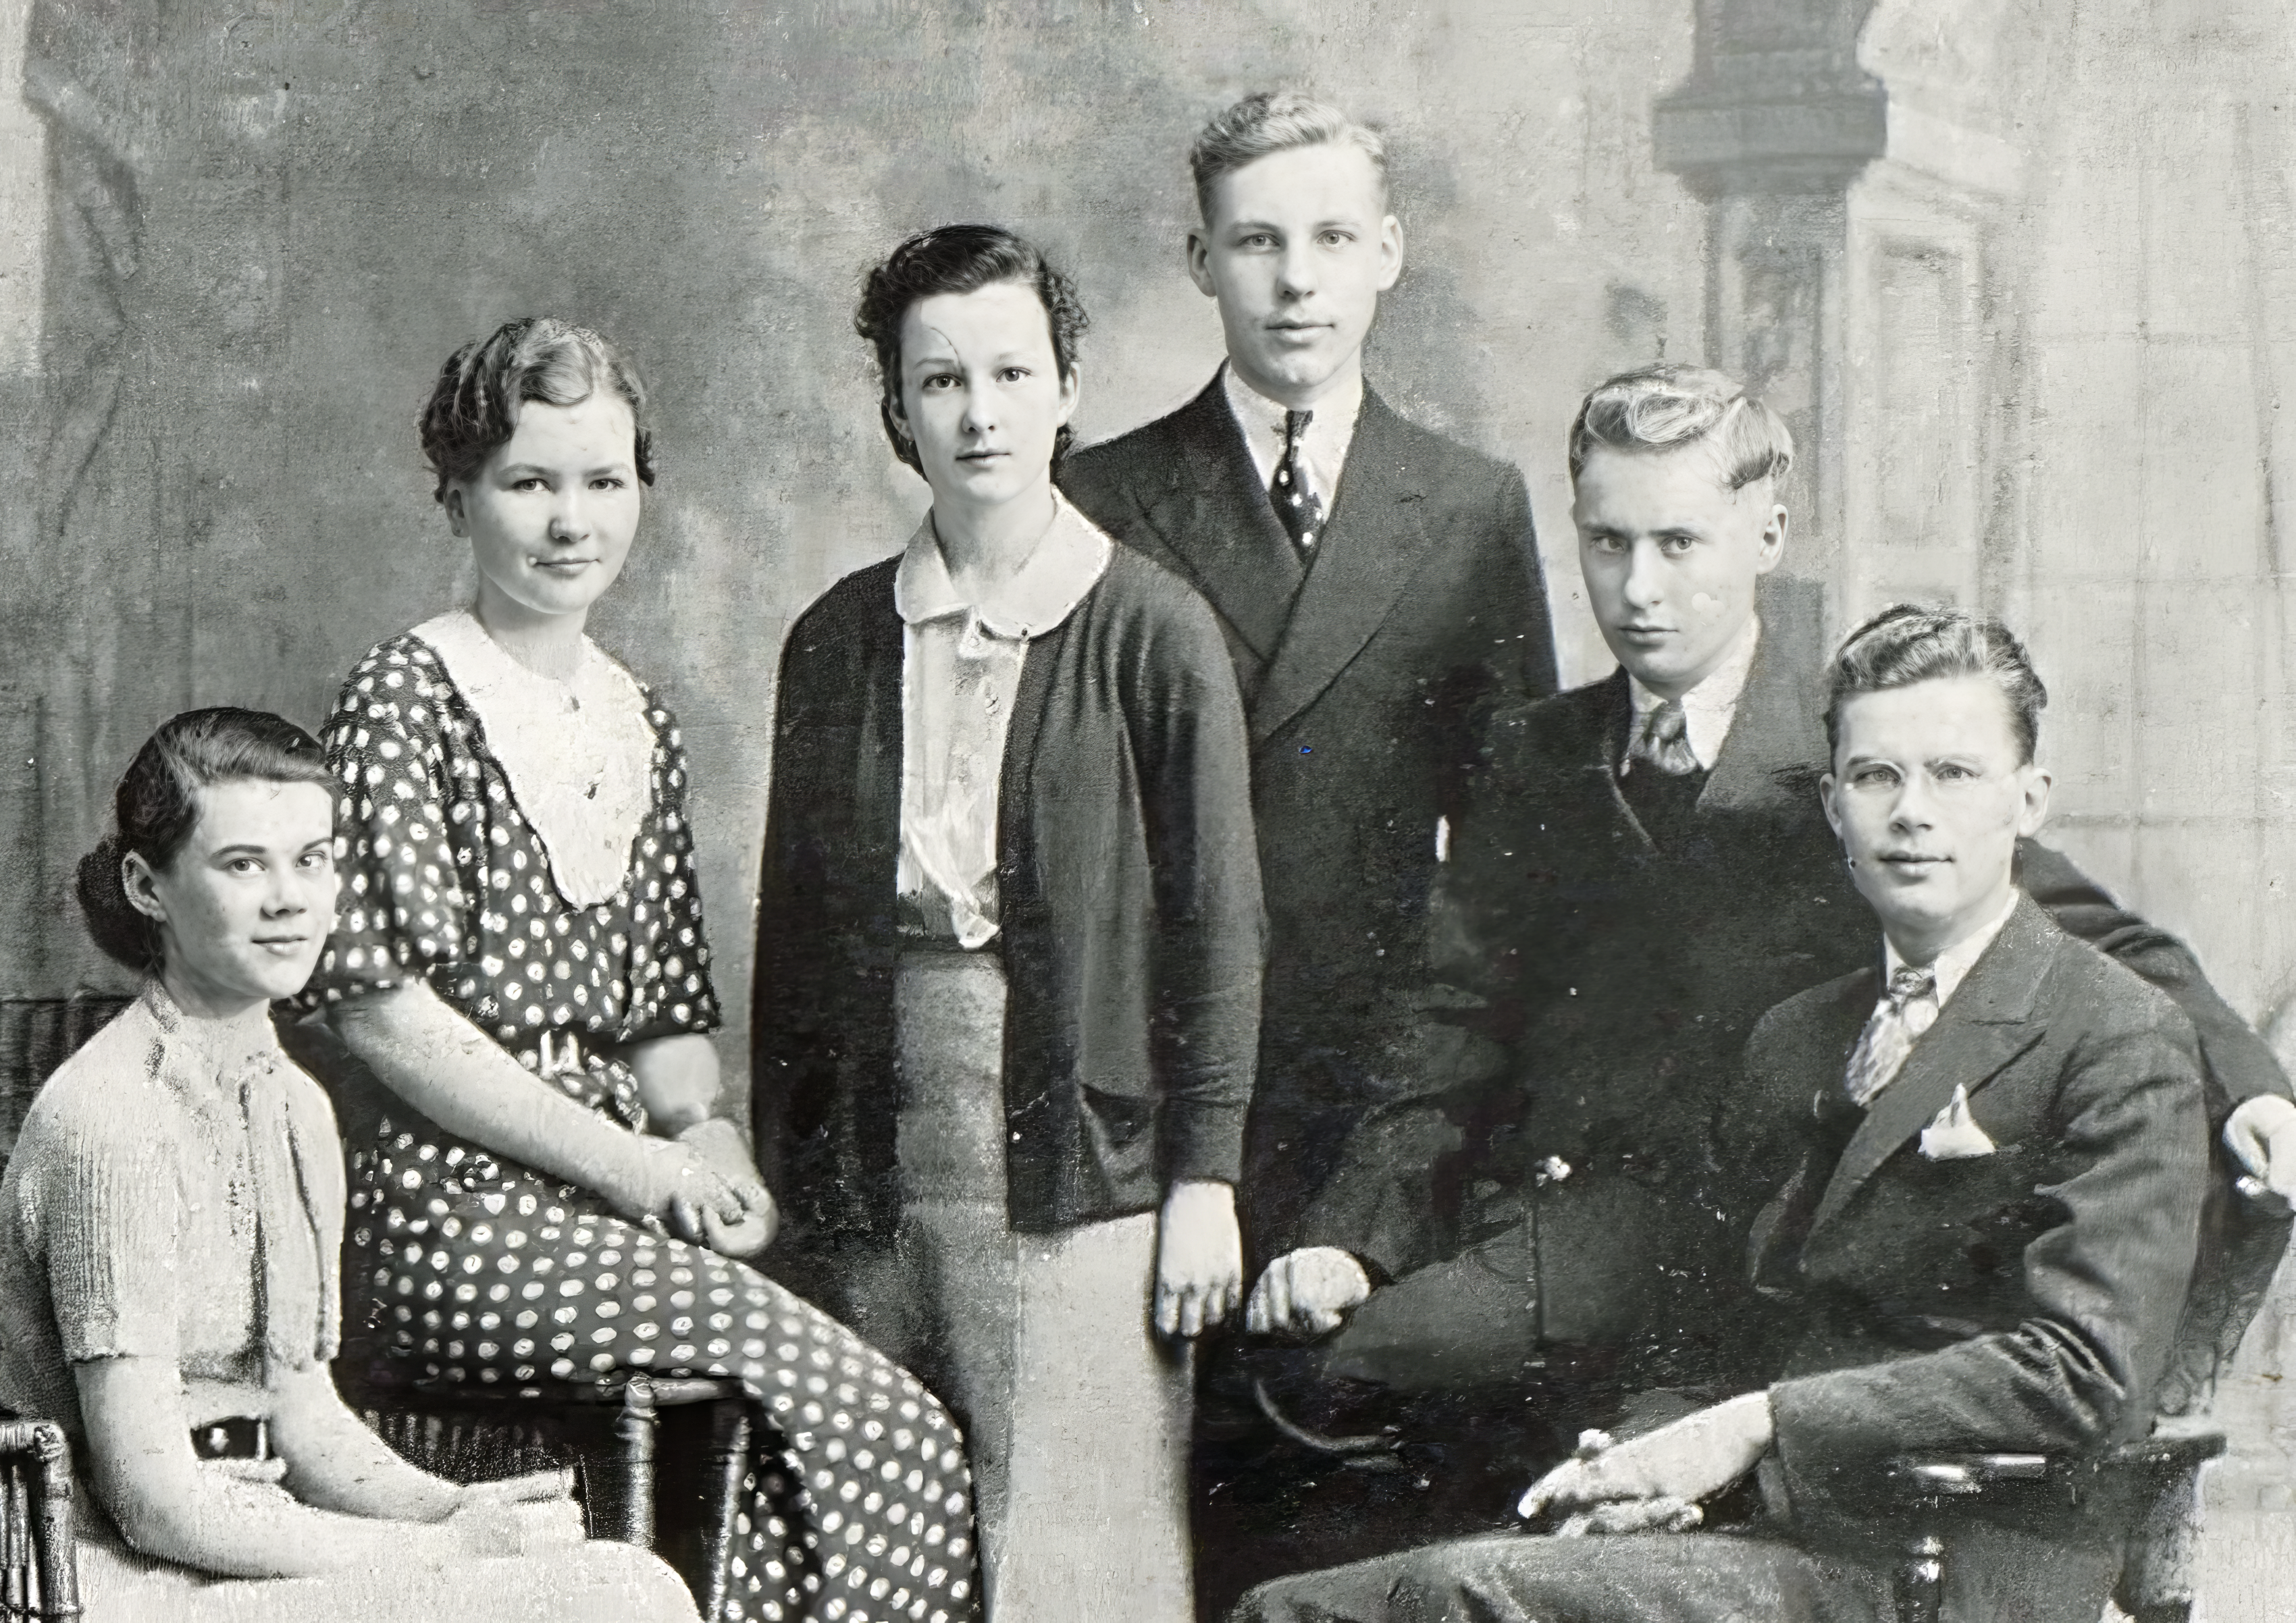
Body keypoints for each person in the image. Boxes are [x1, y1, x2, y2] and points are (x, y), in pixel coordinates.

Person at [1232, 364, 2293, 1578]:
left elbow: (2104, 940)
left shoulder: (1853, 757)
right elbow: (1449, 1019)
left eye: (1680, 542)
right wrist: (1354, 1235)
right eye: (1608, 542)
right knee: (1292, 1374)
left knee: (1341, 1401)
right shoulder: (1538, 751)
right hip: (1542, 1217)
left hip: (1725, 1237)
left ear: (1768, 535)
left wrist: (2254, 1085)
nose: (1640, 588)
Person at [296, 318, 976, 1623]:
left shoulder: (635, 715)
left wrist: (709, 1142)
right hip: (449, 1220)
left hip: (609, 1209)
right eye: (529, 482)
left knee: (785, 1462)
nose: (571, 522)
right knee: (889, 1431)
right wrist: (644, 1172)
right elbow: (387, 1020)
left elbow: (666, 1013)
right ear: (458, 493)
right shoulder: (405, 697)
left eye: (603, 483)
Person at [751, 224, 1264, 1623]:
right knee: (879, 1544)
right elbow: (791, 948)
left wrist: (1204, 1177)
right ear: (894, 413)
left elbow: (1218, 927)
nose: (978, 412)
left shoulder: (1152, 630)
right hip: (878, 1154)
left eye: (1008, 372)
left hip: (1078, 1164)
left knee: (1068, 1560)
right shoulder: (837, 637)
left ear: (1064, 388)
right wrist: (795, 1179)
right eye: (938, 381)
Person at [0, 706, 700, 1621]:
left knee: (623, 1580)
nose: (290, 899)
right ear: (147, 885)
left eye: (313, 859)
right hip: (98, 1580)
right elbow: (151, 1502)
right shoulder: (113, 1120)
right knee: (612, 1603)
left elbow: (305, 1414)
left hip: (262, 1544)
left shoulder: (294, 1108)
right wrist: (438, 1552)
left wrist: (461, 1510)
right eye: (244, 864)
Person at [1059, 91, 1557, 1258]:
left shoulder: (1472, 508)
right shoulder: (1101, 502)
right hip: (1158, 1077)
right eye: (1256, 242)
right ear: (1199, 259)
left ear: (1387, 252)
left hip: (1383, 1089)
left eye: (1332, 239)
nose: (1297, 283)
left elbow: (1510, 847)